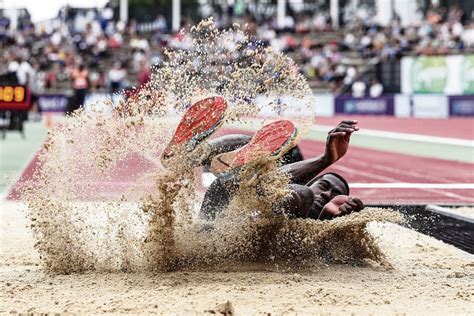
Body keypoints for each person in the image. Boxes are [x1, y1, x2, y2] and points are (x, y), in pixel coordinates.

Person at [161, 96, 364, 222]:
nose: (327, 194)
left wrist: (331, 218)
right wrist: (325, 160)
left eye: (335, 194)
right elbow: (285, 184)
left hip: (220, 238)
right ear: (311, 179)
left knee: (302, 194)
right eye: (325, 185)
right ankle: (188, 156)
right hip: (222, 208)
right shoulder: (291, 193)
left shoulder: (317, 225)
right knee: (247, 144)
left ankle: (247, 173)